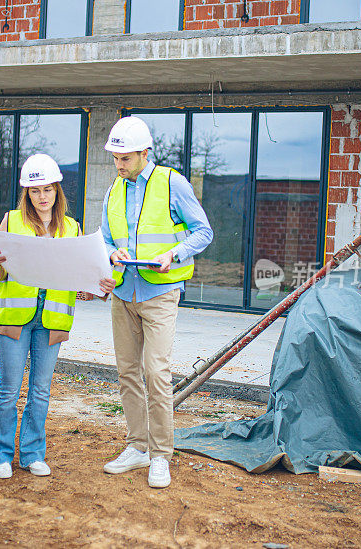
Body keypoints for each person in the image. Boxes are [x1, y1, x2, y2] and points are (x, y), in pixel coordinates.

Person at [98, 116, 213, 489]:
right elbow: (103, 237)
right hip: (123, 292)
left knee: (156, 374)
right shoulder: (114, 188)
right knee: (128, 372)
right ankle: (137, 447)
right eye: (115, 158)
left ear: (144, 152)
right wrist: (111, 251)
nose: (119, 165)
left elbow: (203, 231)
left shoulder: (171, 182)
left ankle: (161, 455)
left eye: (125, 158)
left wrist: (174, 254)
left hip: (160, 293)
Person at [0, 153, 97, 479]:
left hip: (53, 320)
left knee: (41, 391)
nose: (42, 196)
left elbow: (77, 278)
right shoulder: (12, 221)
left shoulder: (72, 228)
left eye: (48, 189)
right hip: (16, 319)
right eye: (36, 191)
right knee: (9, 389)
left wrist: (89, 286)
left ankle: (32, 453)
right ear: (27, 193)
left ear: (57, 190)